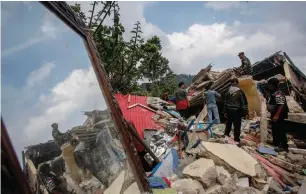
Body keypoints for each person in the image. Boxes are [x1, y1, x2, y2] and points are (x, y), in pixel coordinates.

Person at [267, 77, 289, 152]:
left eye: (269, 85)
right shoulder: (274, 92)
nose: (269, 87)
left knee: (280, 130)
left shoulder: (278, 93)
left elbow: (281, 105)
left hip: (279, 114)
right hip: (275, 113)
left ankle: (283, 146)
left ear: (272, 85)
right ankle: (277, 144)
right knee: (275, 129)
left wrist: (276, 115)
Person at [224, 78, 248, 143]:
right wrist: (245, 112)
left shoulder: (227, 91)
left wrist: (225, 111)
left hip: (229, 110)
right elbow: (244, 102)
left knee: (229, 123)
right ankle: (236, 139)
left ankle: (226, 135)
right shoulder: (240, 91)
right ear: (237, 83)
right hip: (237, 110)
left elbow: (225, 102)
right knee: (237, 125)